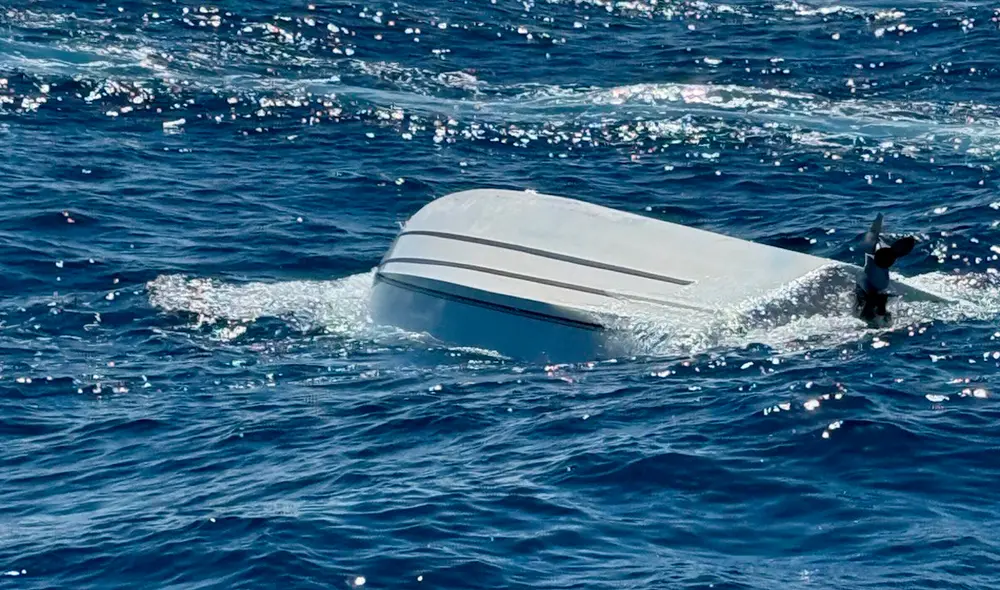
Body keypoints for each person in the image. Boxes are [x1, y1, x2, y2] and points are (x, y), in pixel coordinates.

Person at [854, 213, 917, 326]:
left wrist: (879, 219)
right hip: (870, 289)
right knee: (876, 302)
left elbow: (873, 233)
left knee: (873, 302)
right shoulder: (881, 278)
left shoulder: (875, 254)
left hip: (866, 286)